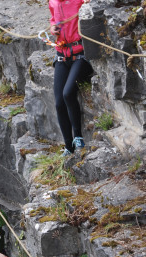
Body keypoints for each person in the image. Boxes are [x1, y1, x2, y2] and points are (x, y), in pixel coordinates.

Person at [49, 0, 94, 156]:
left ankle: (78, 137)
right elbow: (53, 18)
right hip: (62, 55)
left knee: (68, 93)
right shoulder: (53, 1)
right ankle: (68, 146)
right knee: (59, 103)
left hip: (81, 54)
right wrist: (53, 26)